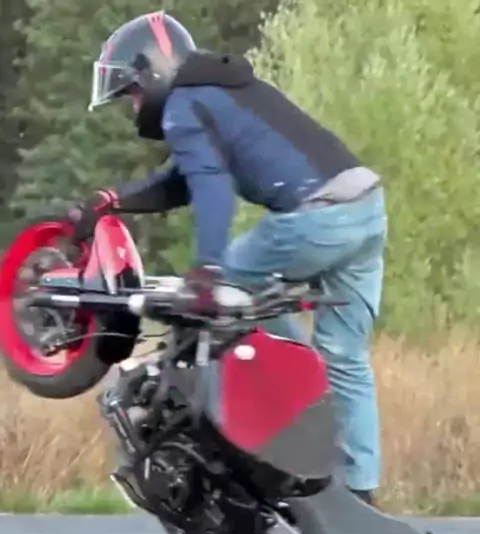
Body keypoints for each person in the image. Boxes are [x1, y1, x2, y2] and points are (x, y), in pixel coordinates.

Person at [70, 11, 388, 505]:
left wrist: (210, 269)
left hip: (318, 217)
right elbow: (180, 181)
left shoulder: (183, 103)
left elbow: (210, 185)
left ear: (153, 72)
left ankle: (280, 415)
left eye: (131, 93)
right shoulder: (221, 92)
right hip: (367, 210)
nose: (132, 107)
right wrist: (114, 200)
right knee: (345, 359)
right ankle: (361, 493)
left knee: (227, 292)